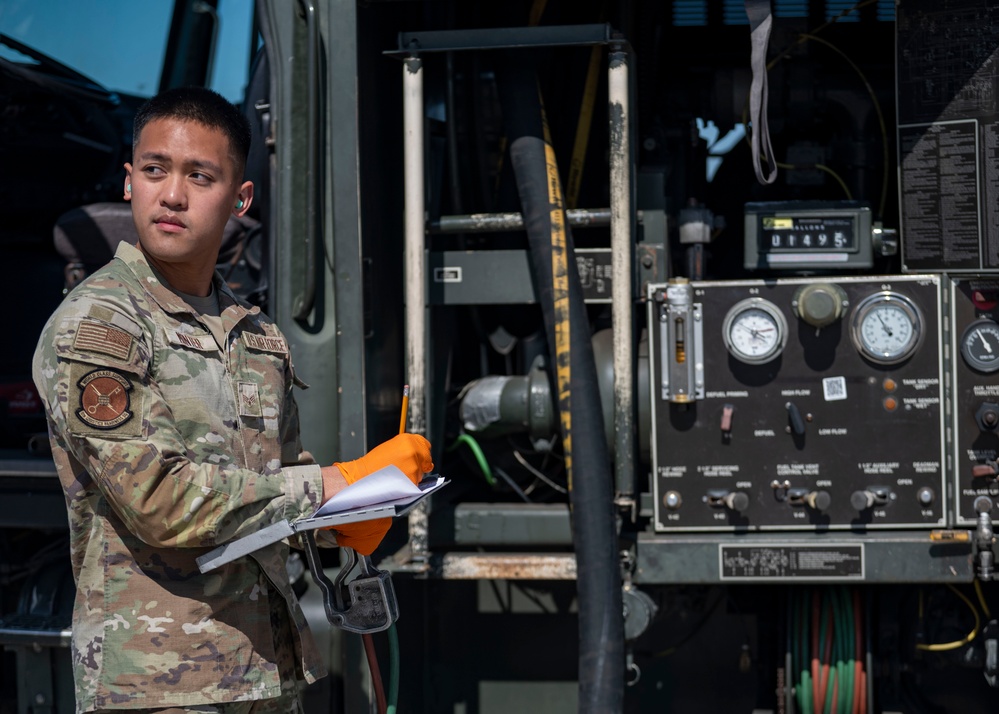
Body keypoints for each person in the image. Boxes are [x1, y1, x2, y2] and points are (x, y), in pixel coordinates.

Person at [31, 86, 433, 713]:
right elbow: (159, 502)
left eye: (201, 176)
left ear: (240, 199)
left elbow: (272, 489)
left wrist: (356, 508)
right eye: (156, 170)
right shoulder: (100, 326)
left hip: (266, 671)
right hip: (159, 687)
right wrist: (327, 487)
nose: (172, 195)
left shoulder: (255, 334)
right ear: (130, 180)